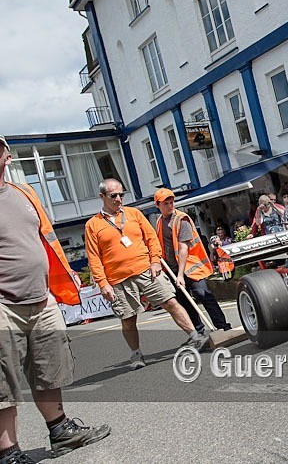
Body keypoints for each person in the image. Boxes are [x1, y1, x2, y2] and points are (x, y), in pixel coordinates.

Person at [0, 136, 110, 462]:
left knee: (49, 366)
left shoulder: (24, 193)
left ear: (6, 155)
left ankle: (61, 431)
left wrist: (56, 282)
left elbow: (44, 237)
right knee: (2, 378)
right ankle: (8, 452)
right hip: (3, 304)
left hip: (40, 297)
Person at [85, 178, 208, 371]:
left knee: (171, 301)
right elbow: (94, 258)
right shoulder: (93, 225)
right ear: (102, 197)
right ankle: (136, 353)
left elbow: (151, 239)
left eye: (121, 194)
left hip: (145, 269)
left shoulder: (134, 214)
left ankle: (195, 336)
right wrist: (103, 284)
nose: (118, 199)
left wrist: (155, 261)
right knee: (128, 319)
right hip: (118, 279)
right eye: (113, 196)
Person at [154, 189, 232, 333]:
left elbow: (183, 248)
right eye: (166, 203)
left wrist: (181, 275)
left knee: (204, 295)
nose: (170, 206)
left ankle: (223, 327)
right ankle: (199, 332)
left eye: (171, 202)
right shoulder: (159, 221)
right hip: (173, 269)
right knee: (184, 301)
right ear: (157, 205)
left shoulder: (181, 220)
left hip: (191, 266)